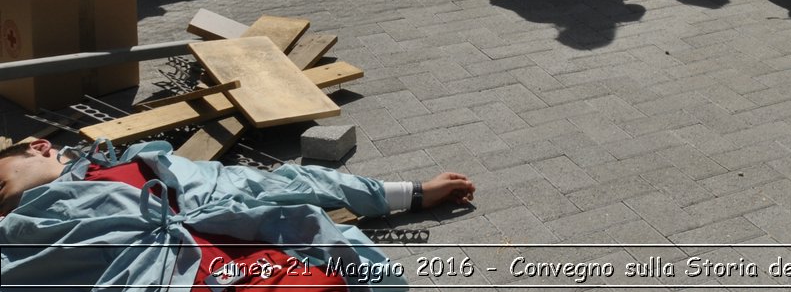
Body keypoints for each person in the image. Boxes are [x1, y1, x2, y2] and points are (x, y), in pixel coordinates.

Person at [0, 136, 474, 290]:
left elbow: (279, 183)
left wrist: (408, 193)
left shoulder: (144, 166)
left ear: (39, 148)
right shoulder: (20, 238)